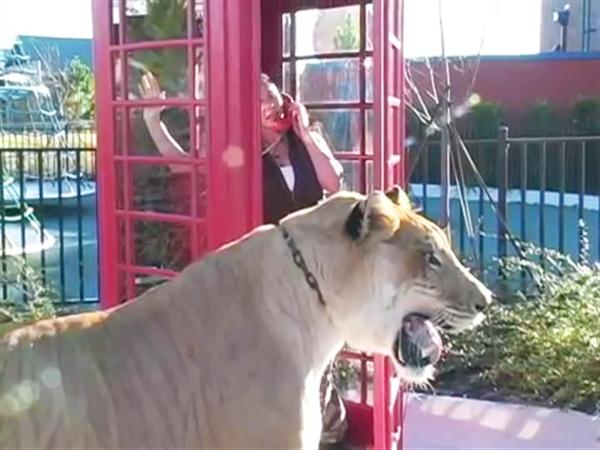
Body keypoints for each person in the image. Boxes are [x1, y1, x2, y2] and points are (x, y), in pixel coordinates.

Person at [139, 71, 349, 446]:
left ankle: (331, 428)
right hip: (268, 277)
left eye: (273, 96)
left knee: (319, 366)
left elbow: (334, 181)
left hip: (315, 274)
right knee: (283, 367)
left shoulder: (305, 138)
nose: (270, 105)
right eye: (260, 102)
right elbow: (186, 167)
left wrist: (305, 134)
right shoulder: (241, 149)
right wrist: (155, 122)